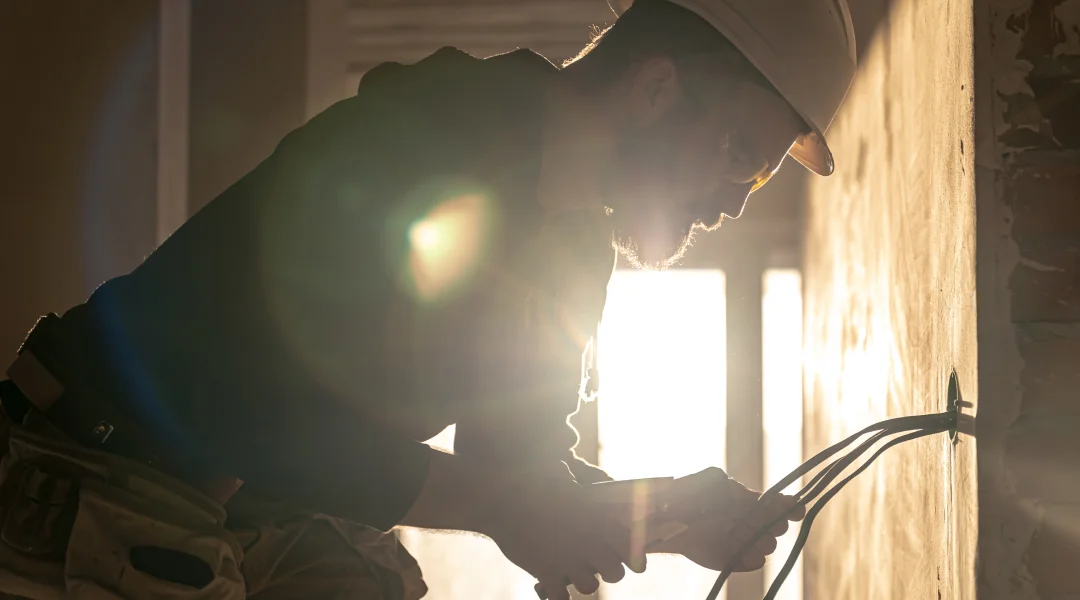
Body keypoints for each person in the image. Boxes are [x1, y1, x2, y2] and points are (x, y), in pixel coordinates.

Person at [0, 0, 856, 598]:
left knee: (365, 580)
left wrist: (662, 514)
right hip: (86, 472)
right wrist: (511, 507)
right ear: (658, 86)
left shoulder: (570, 252)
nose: (739, 198)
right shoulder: (427, 138)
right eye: (739, 150)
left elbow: (513, 469)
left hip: (225, 504)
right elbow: (239, 406)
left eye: (761, 172)